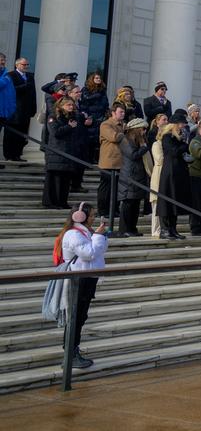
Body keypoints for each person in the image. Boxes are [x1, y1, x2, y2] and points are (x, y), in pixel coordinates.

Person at [55, 202, 109, 369]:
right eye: (91, 215)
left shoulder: (86, 233)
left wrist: (99, 236)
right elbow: (89, 253)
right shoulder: (73, 234)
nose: (93, 218)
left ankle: (73, 351)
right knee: (75, 317)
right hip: (78, 280)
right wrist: (98, 236)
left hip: (88, 278)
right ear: (80, 216)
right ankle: (70, 355)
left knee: (81, 317)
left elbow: (99, 251)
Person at [43, 97, 82, 209]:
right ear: (61, 106)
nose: (71, 107)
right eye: (68, 105)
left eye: (72, 105)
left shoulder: (73, 118)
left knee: (65, 180)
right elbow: (55, 132)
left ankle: (62, 202)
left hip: (69, 153)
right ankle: (52, 202)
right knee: (56, 180)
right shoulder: (53, 117)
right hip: (57, 152)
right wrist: (69, 127)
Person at [157, 122, 191, 240]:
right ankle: (165, 229)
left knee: (175, 201)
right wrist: (185, 145)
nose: (183, 128)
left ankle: (173, 228)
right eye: (181, 125)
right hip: (169, 172)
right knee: (167, 200)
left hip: (177, 173)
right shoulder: (167, 137)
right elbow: (174, 152)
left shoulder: (178, 139)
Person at [116, 118, 149, 236]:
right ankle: (124, 230)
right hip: (129, 176)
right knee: (128, 204)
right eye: (143, 128)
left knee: (135, 205)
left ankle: (132, 228)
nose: (144, 131)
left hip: (138, 175)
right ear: (136, 129)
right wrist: (144, 148)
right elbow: (132, 155)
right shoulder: (125, 139)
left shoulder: (139, 140)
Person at [3, 56, 36, 161]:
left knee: (22, 135)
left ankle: (17, 155)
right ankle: (9, 155)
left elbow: (33, 94)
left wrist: (33, 108)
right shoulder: (10, 75)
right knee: (11, 134)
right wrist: (24, 87)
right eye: (24, 64)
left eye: (27, 64)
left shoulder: (30, 76)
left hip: (26, 112)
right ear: (17, 65)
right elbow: (10, 90)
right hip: (14, 111)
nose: (26, 66)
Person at [96, 102, 126, 216]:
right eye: (120, 112)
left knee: (117, 188)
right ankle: (103, 210)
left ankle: (114, 209)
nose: (123, 114)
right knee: (106, 188)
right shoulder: (106, 124)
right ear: (113, 113)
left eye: (124, 112)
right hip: (109, 162)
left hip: (120, 162)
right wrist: (125, 131)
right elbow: (114, 137)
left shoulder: (123, 124)